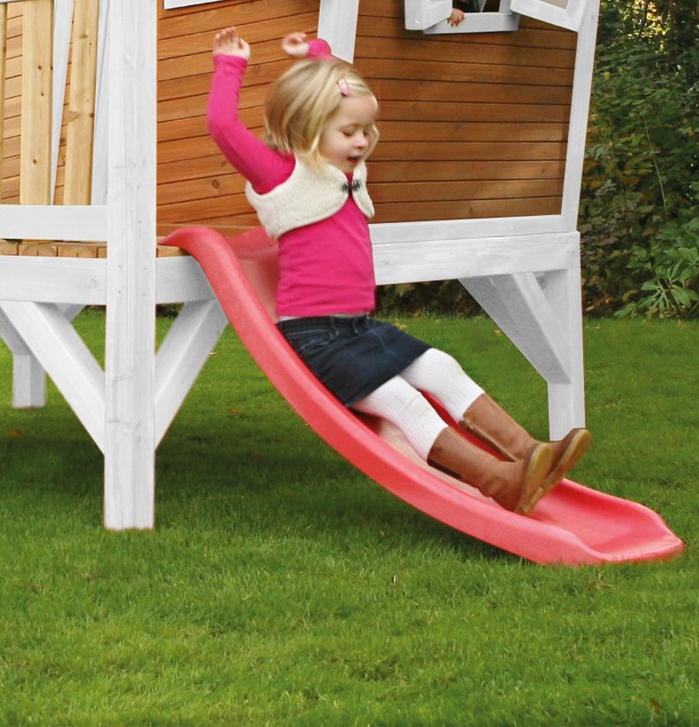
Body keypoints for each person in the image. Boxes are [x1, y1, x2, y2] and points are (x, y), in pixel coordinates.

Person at [205, 27, 589, 513]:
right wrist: (230, 64)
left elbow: (336, 89)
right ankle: (498, 482)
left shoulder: (346, 168)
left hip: (360, 328)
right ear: (306, 127)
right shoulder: (281, 174)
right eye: (349, 132)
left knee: (442, 368)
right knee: (405, 401)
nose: (362, 141)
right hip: (317, 339)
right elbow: (222, 125)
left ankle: (530, 454)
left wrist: (316, 55)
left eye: (366, 129)